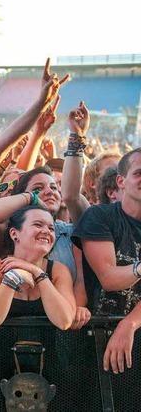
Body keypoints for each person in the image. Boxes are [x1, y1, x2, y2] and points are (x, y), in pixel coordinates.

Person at [71, 147, 141, 374]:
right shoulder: (100, 216)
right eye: (139, 173)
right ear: (121, 181)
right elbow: (109, 278)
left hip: (132, 331)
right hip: (91, 336)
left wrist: (130, 322)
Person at [0, 206, 76, 332]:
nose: (46, 231)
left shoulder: (58, 270)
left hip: (47, 351)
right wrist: (14, 277)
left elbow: (65, 321)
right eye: (38, 225)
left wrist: (38, 273)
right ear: (14, 234)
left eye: (51, 228)